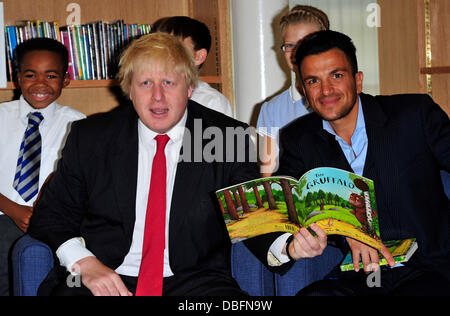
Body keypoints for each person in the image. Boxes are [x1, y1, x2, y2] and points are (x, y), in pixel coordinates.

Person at [28, 32, 259, 296]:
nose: (157, 96)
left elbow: (253, 217)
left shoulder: (226, 138)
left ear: (190, 88)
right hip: (105, 275)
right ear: (129, 89)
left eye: (169, 83)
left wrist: (286, 246)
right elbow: (51, 216)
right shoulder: (92, 138)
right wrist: (84, 262)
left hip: (195, 281)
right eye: (146, 83)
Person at [251, 30, 450, 295]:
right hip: (362, 276)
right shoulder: (299, 139)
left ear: (357, 81)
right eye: (313, 81)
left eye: (336, 75)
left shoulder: (413, 115)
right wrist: (304, 242)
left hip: (432, 269)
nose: (326, 90)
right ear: (304, 91)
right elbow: (279, 210)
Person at [0, 37, 85, 296]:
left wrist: (46, 210)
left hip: (50, 223)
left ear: (65, 79)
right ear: (17, 78)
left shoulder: (78, 124)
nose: (40, 84)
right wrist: (12, 209)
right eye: (30, 75)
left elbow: (78, 181)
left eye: (50, 75)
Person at [257, 5, 329, 176]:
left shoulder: (341, 99)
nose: (297, 52)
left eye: (306, 43)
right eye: (290, 45)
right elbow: (268, 175)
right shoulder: (271, 110)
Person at [154, 16, 234, 118]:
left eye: (175, 47)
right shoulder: (145, 92)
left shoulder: (212, 102)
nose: (163, 53)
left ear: (199, 57)